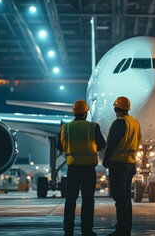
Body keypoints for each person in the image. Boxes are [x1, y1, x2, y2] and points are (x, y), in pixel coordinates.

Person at [57, 99, 106, 236]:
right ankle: (87, 230)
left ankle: (68, 230)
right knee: (88, 201)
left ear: (74, 112)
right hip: (88, 169)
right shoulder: (93, 127)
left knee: (70, 200)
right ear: (86, 112)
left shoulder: (66, 127)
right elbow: (102, 144)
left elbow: (59, 146)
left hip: (73, 169)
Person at [103, 96, 142, 236]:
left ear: (115, 108)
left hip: (118, 164)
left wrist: (106, 161)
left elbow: (111, 144)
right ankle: (127, 227)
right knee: (126, 198)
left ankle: (121, 229)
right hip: (130, 163)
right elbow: (138, 140)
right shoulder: (135, 122)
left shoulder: (119, 123)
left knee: (119, 198)